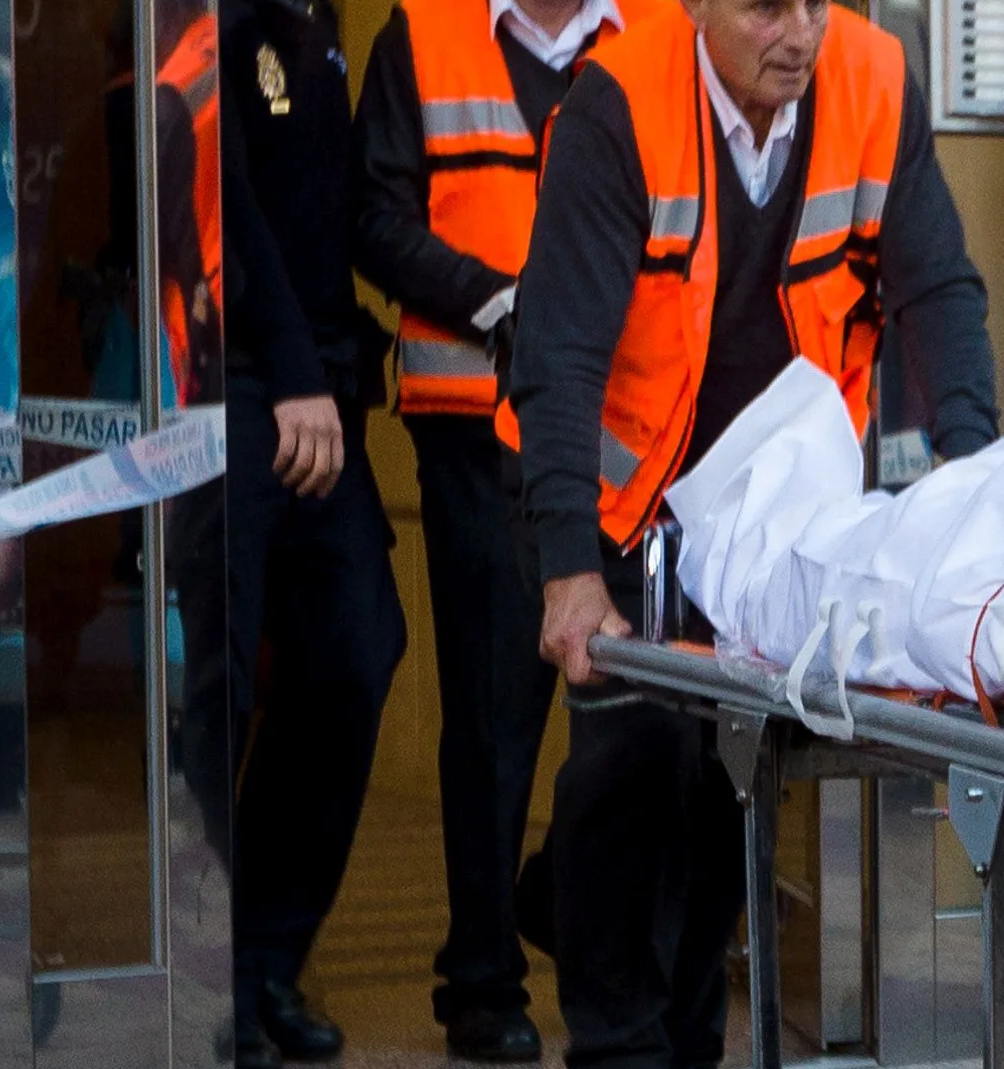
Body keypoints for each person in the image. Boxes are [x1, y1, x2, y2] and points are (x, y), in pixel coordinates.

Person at [501, 0, 1000, 1060]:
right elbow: (559, 353)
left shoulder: (871, 79)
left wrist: (974, 474)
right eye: (765, 7)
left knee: (732, 778)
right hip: (625, 507)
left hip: (773, 517)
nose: (799, 33)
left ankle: (687, 1033)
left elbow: (938, 289)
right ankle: (618, 1038)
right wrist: (569, 570)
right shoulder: (617, 106)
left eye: (814, 2)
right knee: (628, 765)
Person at [350, 0, 657, 1058]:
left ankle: (558, 901)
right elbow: (374, 218)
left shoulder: (665, 30)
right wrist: (499, 299)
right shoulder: (421, 35)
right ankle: (480, 979)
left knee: (645, 711)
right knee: (494, 715)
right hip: (475, 429)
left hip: (634, 434)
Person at [209, 1, 408, 1066]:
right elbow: (222, 201)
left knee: (354, 651)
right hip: (238, 384)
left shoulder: (317, 16)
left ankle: (263, 960)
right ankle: (209, 983)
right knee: (220, 689)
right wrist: (289, 370)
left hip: (319, 386)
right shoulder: (218, 17)